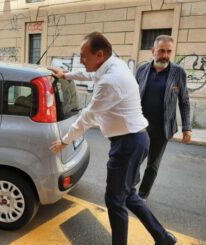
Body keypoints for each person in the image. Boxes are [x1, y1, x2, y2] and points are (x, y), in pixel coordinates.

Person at [49, 32, 177, 245]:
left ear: (99, 54)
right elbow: (90, 75)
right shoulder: (112, 65)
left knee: (115, 200)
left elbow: (88, 116)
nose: (81, 60)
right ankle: (162, 238)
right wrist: (66, 75)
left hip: (128, 144)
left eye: (83, 56)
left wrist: (65, 140)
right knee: (128, 196)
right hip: (134, 140)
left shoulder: (111, 81)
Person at [136, 35, 192, 200]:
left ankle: (142, 196)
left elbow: (184, 101)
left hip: (163, 128)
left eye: (169, 51)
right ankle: (130, 188)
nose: (165, 55)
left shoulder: (178, 72)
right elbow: (131, 96)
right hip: (140, 128)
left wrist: (187, 127)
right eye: (161, 51)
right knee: (134, 162)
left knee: (152, 166)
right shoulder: (142, 70)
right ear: (153, 51)